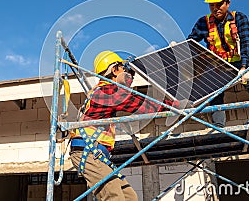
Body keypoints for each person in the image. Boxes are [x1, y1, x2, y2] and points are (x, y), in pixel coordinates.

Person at [69, 50, 179, 201]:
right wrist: (174, 106)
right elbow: (141, 105)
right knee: (114, 196)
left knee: (129, 196)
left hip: (96, 154)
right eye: (122, 68)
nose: (125, 72)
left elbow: (123, 89)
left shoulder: (107, 90)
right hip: (87, 152)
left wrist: (129, 75)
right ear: (114, 70)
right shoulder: (108, 92)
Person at [187, 0, 249, 127]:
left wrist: (244, 67)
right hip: (218, 66)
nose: (215, 9)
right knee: (215, 97)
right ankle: (219, 129)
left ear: (228, 3)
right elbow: (191, 43)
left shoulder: (239, 18)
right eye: (212, 5)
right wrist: (180, 48)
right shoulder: (203, 23)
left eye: (219, 4)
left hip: (239, 63)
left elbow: (246, 43)